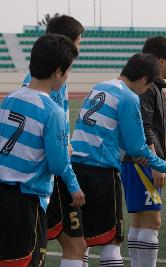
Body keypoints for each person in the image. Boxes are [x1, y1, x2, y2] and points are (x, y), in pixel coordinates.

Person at [70, 53, 166, 266]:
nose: (146, 91)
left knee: (80, 241)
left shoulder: (99, 86)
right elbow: (137, 148)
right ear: (142, 79)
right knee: (111, 241)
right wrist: (165, 165)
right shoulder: (129, 97)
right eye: (148, 86)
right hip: (101, 172)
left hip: (76, 168)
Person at [0, 34, 85, 267]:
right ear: (58, 72)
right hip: (26, 201)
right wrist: (64, 153)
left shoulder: (9, 99)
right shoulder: (52, 111)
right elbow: (58, 165)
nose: (68, 77)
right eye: (68, 71)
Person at [21, 15, 88, 267]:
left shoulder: (34, 83)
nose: (80, 48)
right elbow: (52, 143)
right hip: (48, 174)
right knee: (74, 245)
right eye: (79, 41)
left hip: (40, 175)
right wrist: (72, 182)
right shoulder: (52, 82)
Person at [121, 36, 166, 267]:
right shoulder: (148, 87)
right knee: (152, 221)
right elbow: (144, 125)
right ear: (161, 60)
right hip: (142, 161)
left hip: (135, 160)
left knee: (140, 220)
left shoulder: (153, 86)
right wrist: (155, 162)